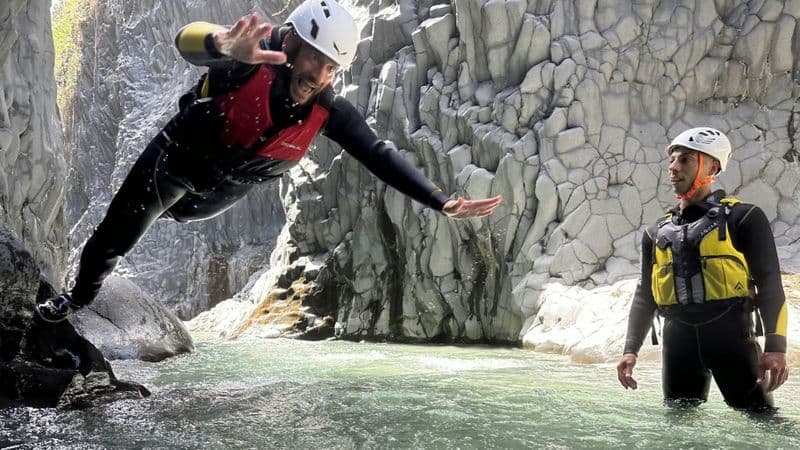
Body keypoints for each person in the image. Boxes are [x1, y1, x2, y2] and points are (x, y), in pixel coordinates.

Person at [35, 0, 502, 323]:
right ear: (292, 43)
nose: (317, 77)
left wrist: (439, 201)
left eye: (330, 69)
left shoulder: (328, 110)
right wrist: (222, 45)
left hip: (220, 194)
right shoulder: (249, 59)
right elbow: (185, 40)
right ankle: (74, 300)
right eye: (314, 60)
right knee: (115, 235)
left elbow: (377, 154)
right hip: (175, 167)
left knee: (178, 209)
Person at [616, 127, 788, 410]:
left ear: (713, 166)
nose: (673, 168)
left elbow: (770, 286)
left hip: (731, 338)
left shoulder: (744, 218)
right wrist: (630, 350)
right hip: (677, 344)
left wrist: (776, 348)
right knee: (679, 430)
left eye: (685, 159)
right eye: (672, 160)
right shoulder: (656, 232)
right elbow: (645, 294)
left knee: (764, 425)